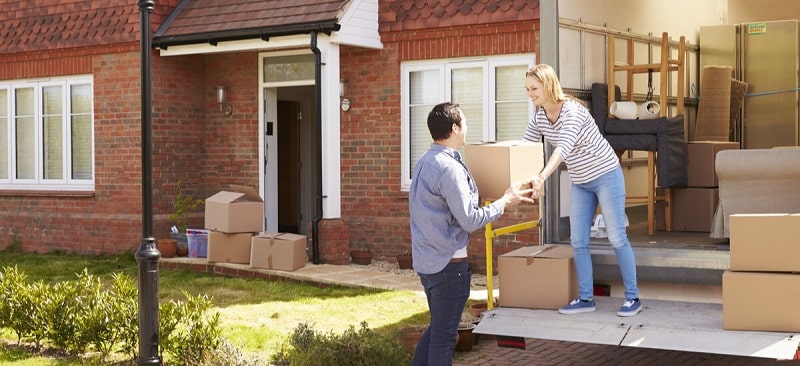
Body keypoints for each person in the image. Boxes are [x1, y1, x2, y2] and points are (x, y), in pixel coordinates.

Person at [409, 102, 533, 366]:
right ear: (455, 128)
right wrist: (505, 201)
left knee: (437, 330)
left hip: (428, 264)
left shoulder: (424, 162)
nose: (467, 127)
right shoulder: (449, 168)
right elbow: (469, 219)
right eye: (464, 122)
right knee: (444, 338)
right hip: (448, 267)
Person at [522, 64, 642, 317]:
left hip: (606, 175)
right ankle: (586, 298)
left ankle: (633, 298)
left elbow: (562, 148)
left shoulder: (573, 112)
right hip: (581, 182)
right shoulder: (540, 116)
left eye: (534, 88)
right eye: (527, 89)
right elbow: (525, 146)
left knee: (617, 236)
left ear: (548, 85)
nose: (530, 94)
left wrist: (542, 176)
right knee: (578, 240)